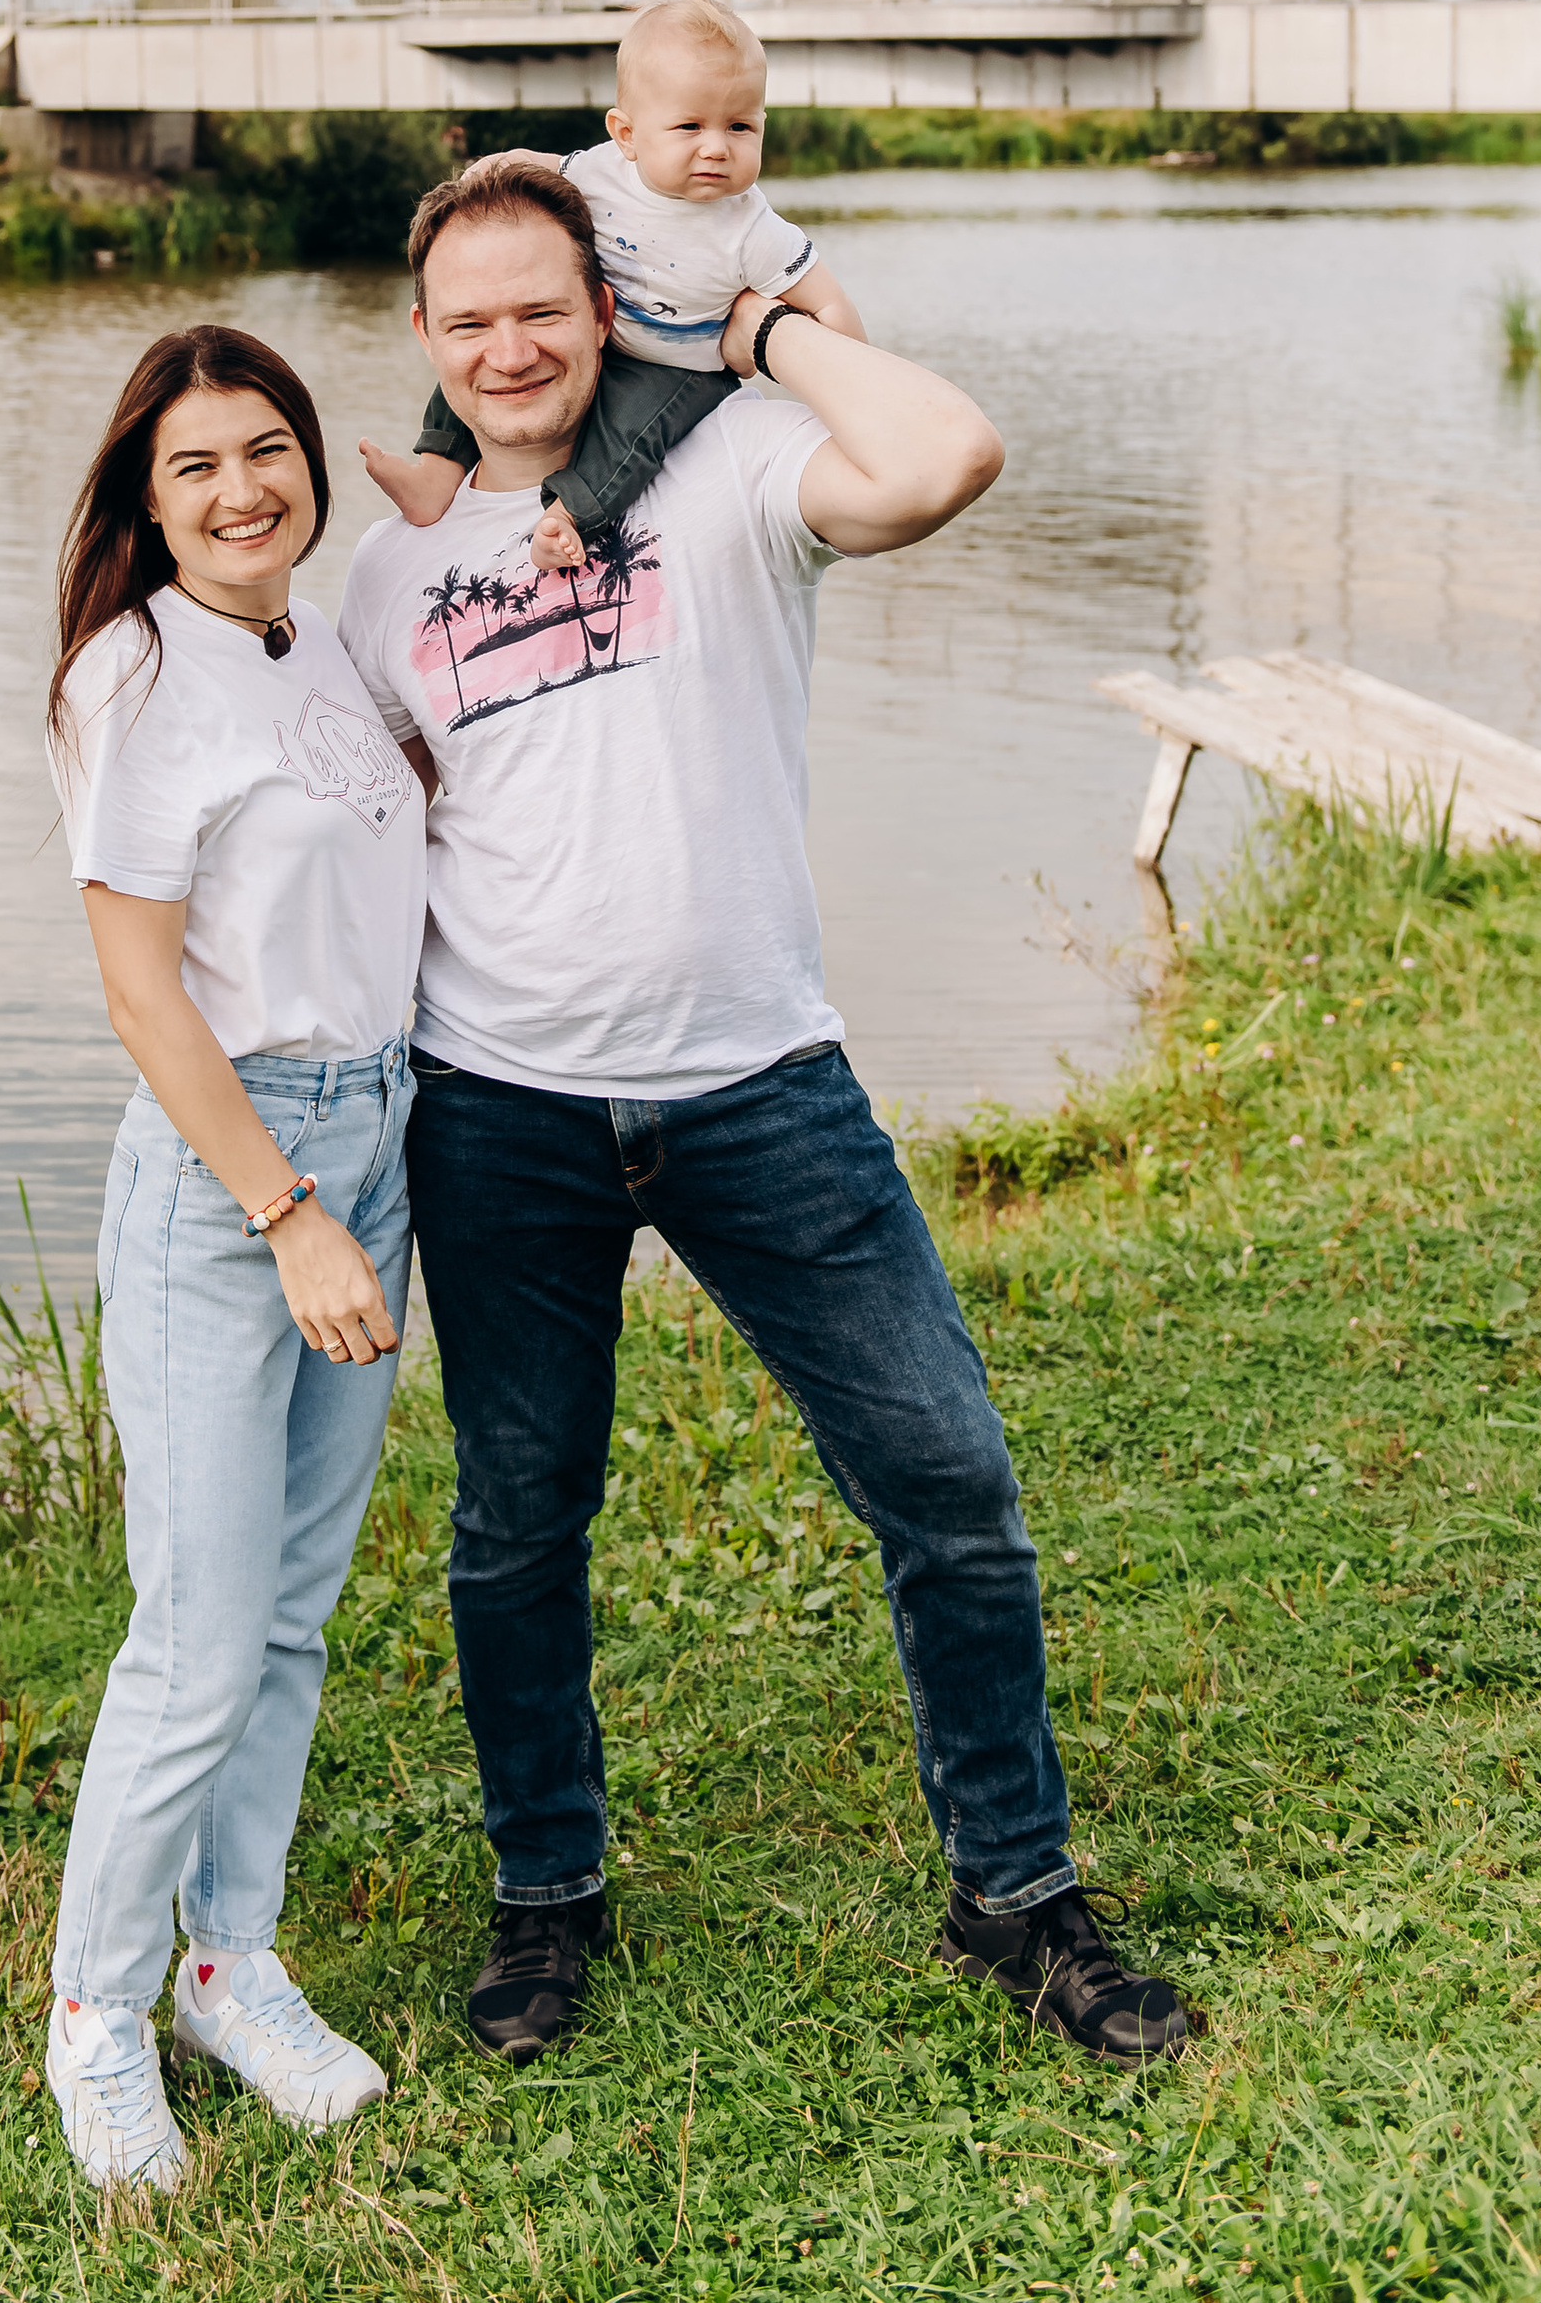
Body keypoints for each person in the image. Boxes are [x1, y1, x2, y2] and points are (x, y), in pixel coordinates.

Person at [336, 162, 1192, 2074]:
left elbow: (950, 449)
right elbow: (361, 828)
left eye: (541, 305)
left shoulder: (729, 468)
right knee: (516, 1519)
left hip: (760, 1084)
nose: (507, 346)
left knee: (947, 1476)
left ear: (603, 305)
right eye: (468, 318)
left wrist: (754, 320)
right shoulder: (387, 573)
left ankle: (1016, 1889)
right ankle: (547, 1886)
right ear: (425, 340)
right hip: (500, 1107)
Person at [41, 324, 425, 2190]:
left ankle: (229, 1963)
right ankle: (96, 2010)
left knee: (287, 1613)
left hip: (380, 1135)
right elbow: (141, 991)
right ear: (146, 493)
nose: (241, 488)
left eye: (267, 446)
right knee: (195, 1638)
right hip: (235, 1181)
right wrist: (289, 1211)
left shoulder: (324, 636)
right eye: (195, 463)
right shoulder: (132, 672)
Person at [359, 0, 857, 573]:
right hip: (598, 334)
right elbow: (545, 164)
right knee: (477, 360)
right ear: (626, 135)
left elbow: (828, 305)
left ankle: (569, 515)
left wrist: (839, 382)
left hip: (677, 365)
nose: (716, 148)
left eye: (741, 127)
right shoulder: (603, 172)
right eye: (690, 126)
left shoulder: (753, 230)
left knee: (631, 433)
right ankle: (434, 476)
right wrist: (494, 168)